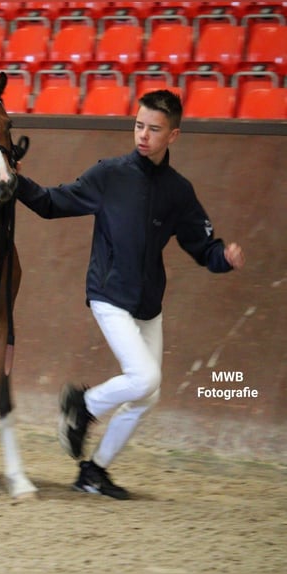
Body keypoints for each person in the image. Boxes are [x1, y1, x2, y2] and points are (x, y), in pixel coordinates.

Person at [15, 89, 245, 500]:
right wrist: (15, 182)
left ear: (172, 135)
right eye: (139, 126)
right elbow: (53, 202)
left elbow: (202, 246)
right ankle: (83, 406)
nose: (143, 135)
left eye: (154, 129)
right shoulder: (110, 174)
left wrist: (223, 258)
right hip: (108, 292)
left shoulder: (179, 191)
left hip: (148, 303)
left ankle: (93, 472)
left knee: (147, 395)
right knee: (145, 378)